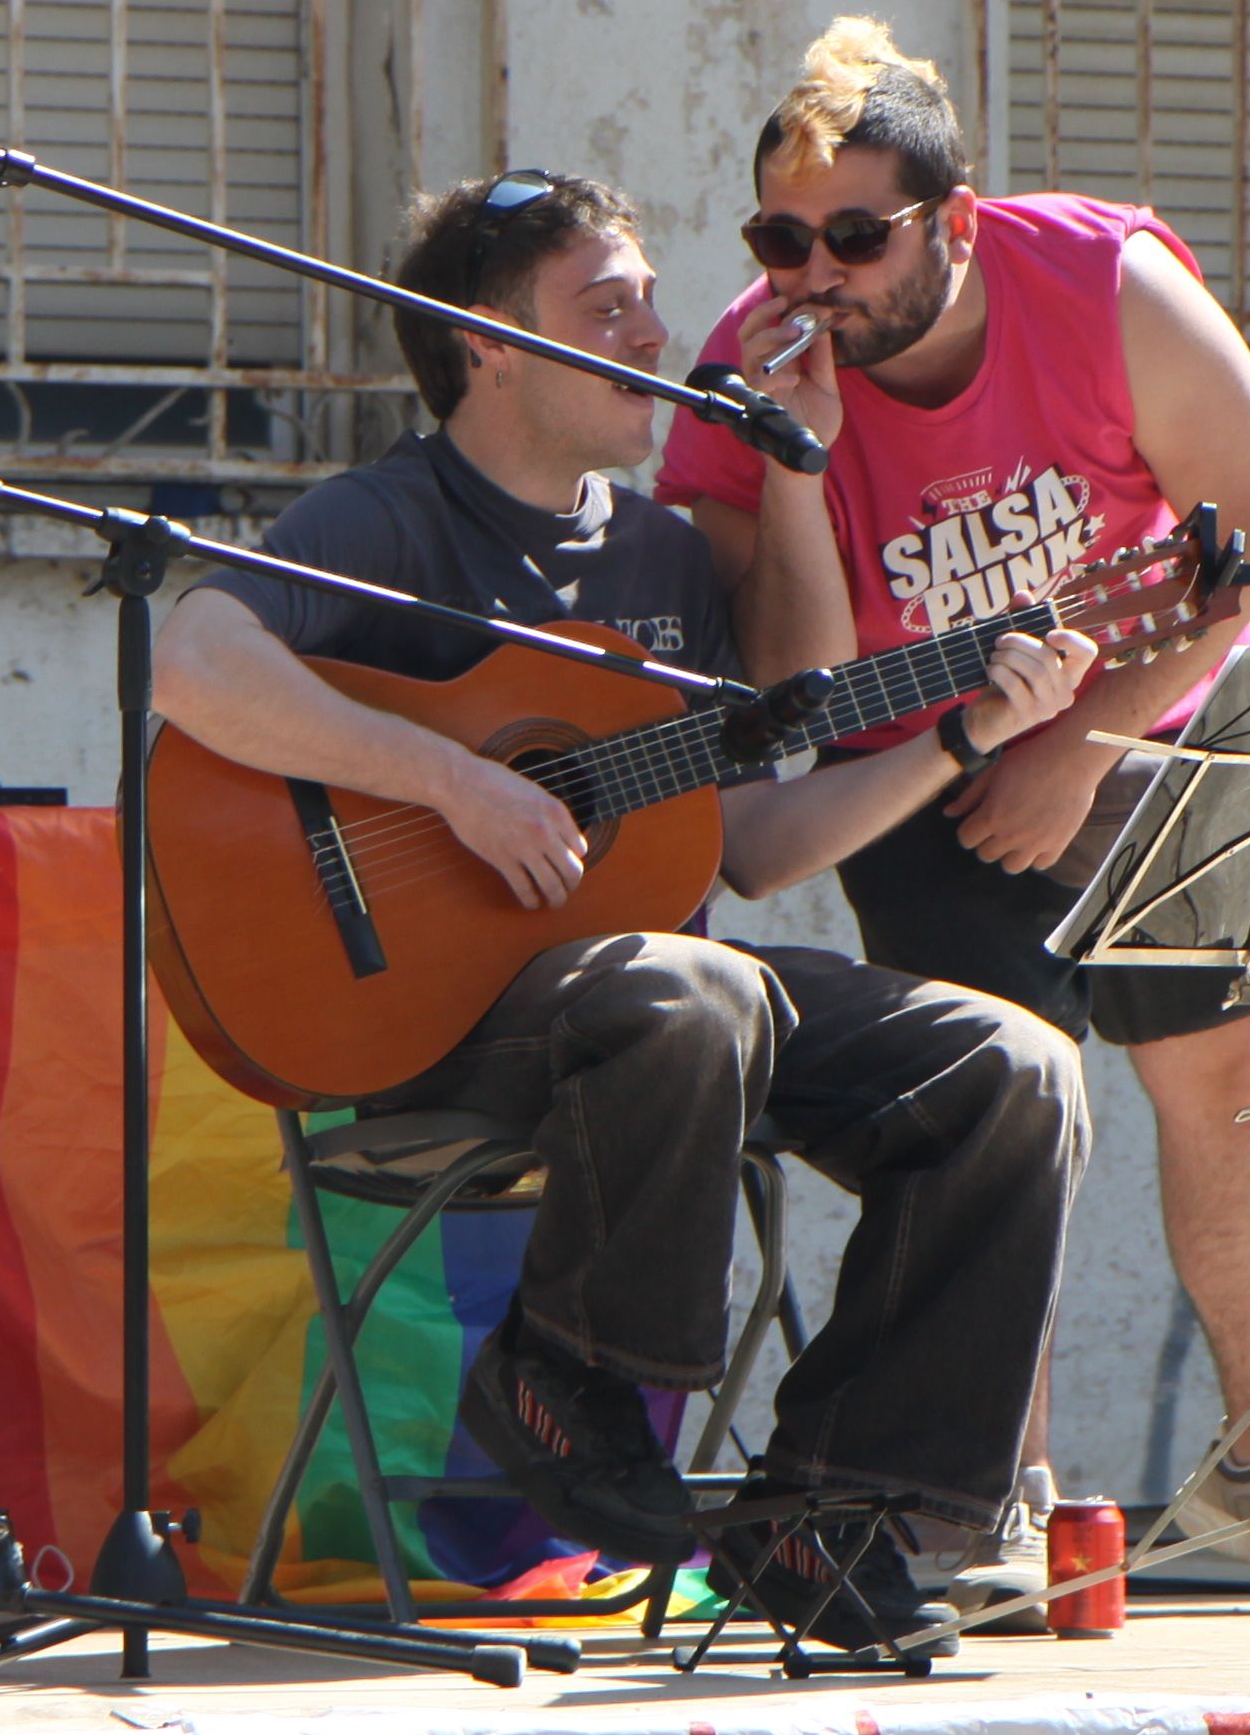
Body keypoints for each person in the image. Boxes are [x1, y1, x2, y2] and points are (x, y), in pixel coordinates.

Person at [150, 168, 1101, 1655]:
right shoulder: (387, 519)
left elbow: (758, 844)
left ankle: (836, 1506)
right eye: (609, 307)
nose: (657, 334)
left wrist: (956, 735)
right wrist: (452, 786)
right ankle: (566, 1381)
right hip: (438, 1029)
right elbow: (194, 659)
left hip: (659, 1026)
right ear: (490, 343)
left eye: (654, 299)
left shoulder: (662, 559)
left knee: (1014, 1070)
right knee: (691, 993)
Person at [655, 17, 1250, 1619]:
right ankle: (990, 1492)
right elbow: (788, 688)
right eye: (781, 239)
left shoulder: (1100, 285)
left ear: (952, 222)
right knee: (996, 1092)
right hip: (917, 752)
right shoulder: (753, 369)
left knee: (1227, 1061)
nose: (817, 275)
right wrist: (794, 460)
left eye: (857, 239)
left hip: (1142, 722)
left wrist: (1077, 744)